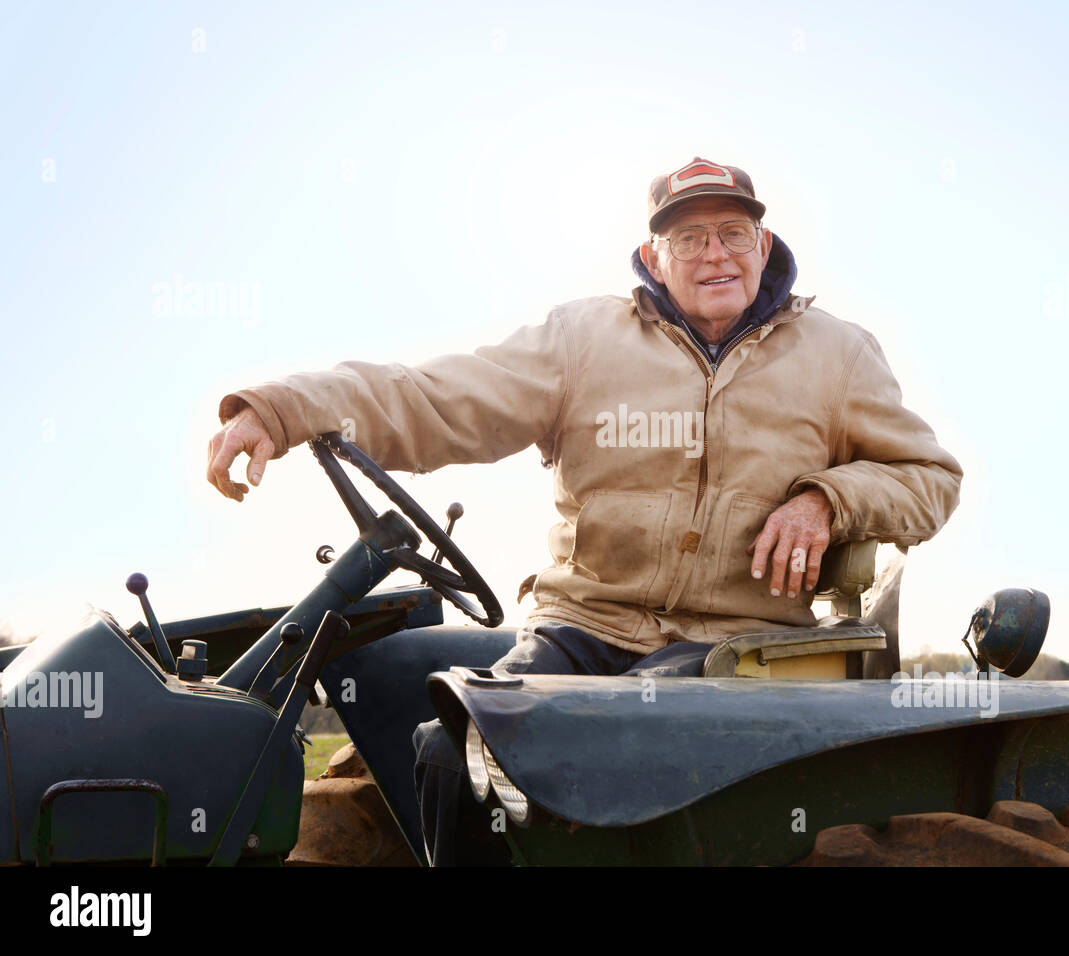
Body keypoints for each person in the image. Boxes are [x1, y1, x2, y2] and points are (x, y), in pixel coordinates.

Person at [206, 156, 963, 863]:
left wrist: (827, 500)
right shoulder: (583, 342)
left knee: (615, 746)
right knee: (451, 749)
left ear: (763, 245)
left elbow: (929, 477)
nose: (716, 254)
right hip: (583, 625)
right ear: (654, 254)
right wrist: (287, 408)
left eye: (734, 233)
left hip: (739, 644)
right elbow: (436, 398)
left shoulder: (836, 355)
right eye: (690, 236)